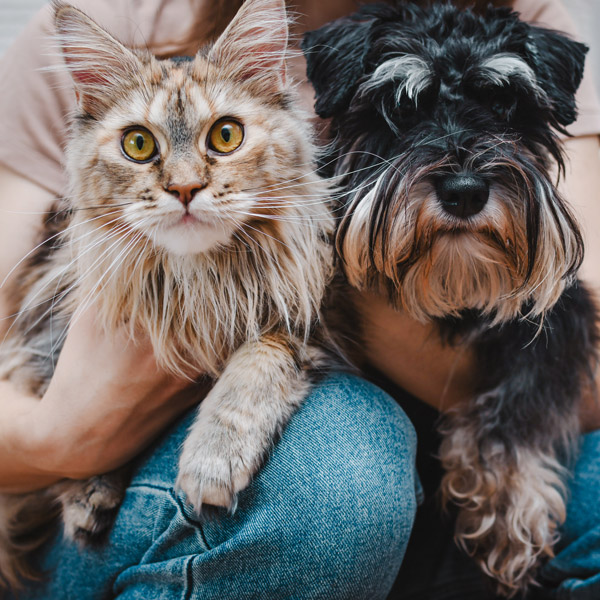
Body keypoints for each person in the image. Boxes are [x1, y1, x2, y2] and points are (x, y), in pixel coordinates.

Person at [0, 0, 598, 598]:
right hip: (127, 488)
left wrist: (312, 298)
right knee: (345, 456)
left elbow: (589, 367)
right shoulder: (115, 18)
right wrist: (62, 437)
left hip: (438, 468)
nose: (185, 179)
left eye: (225, 135)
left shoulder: (524, 13)